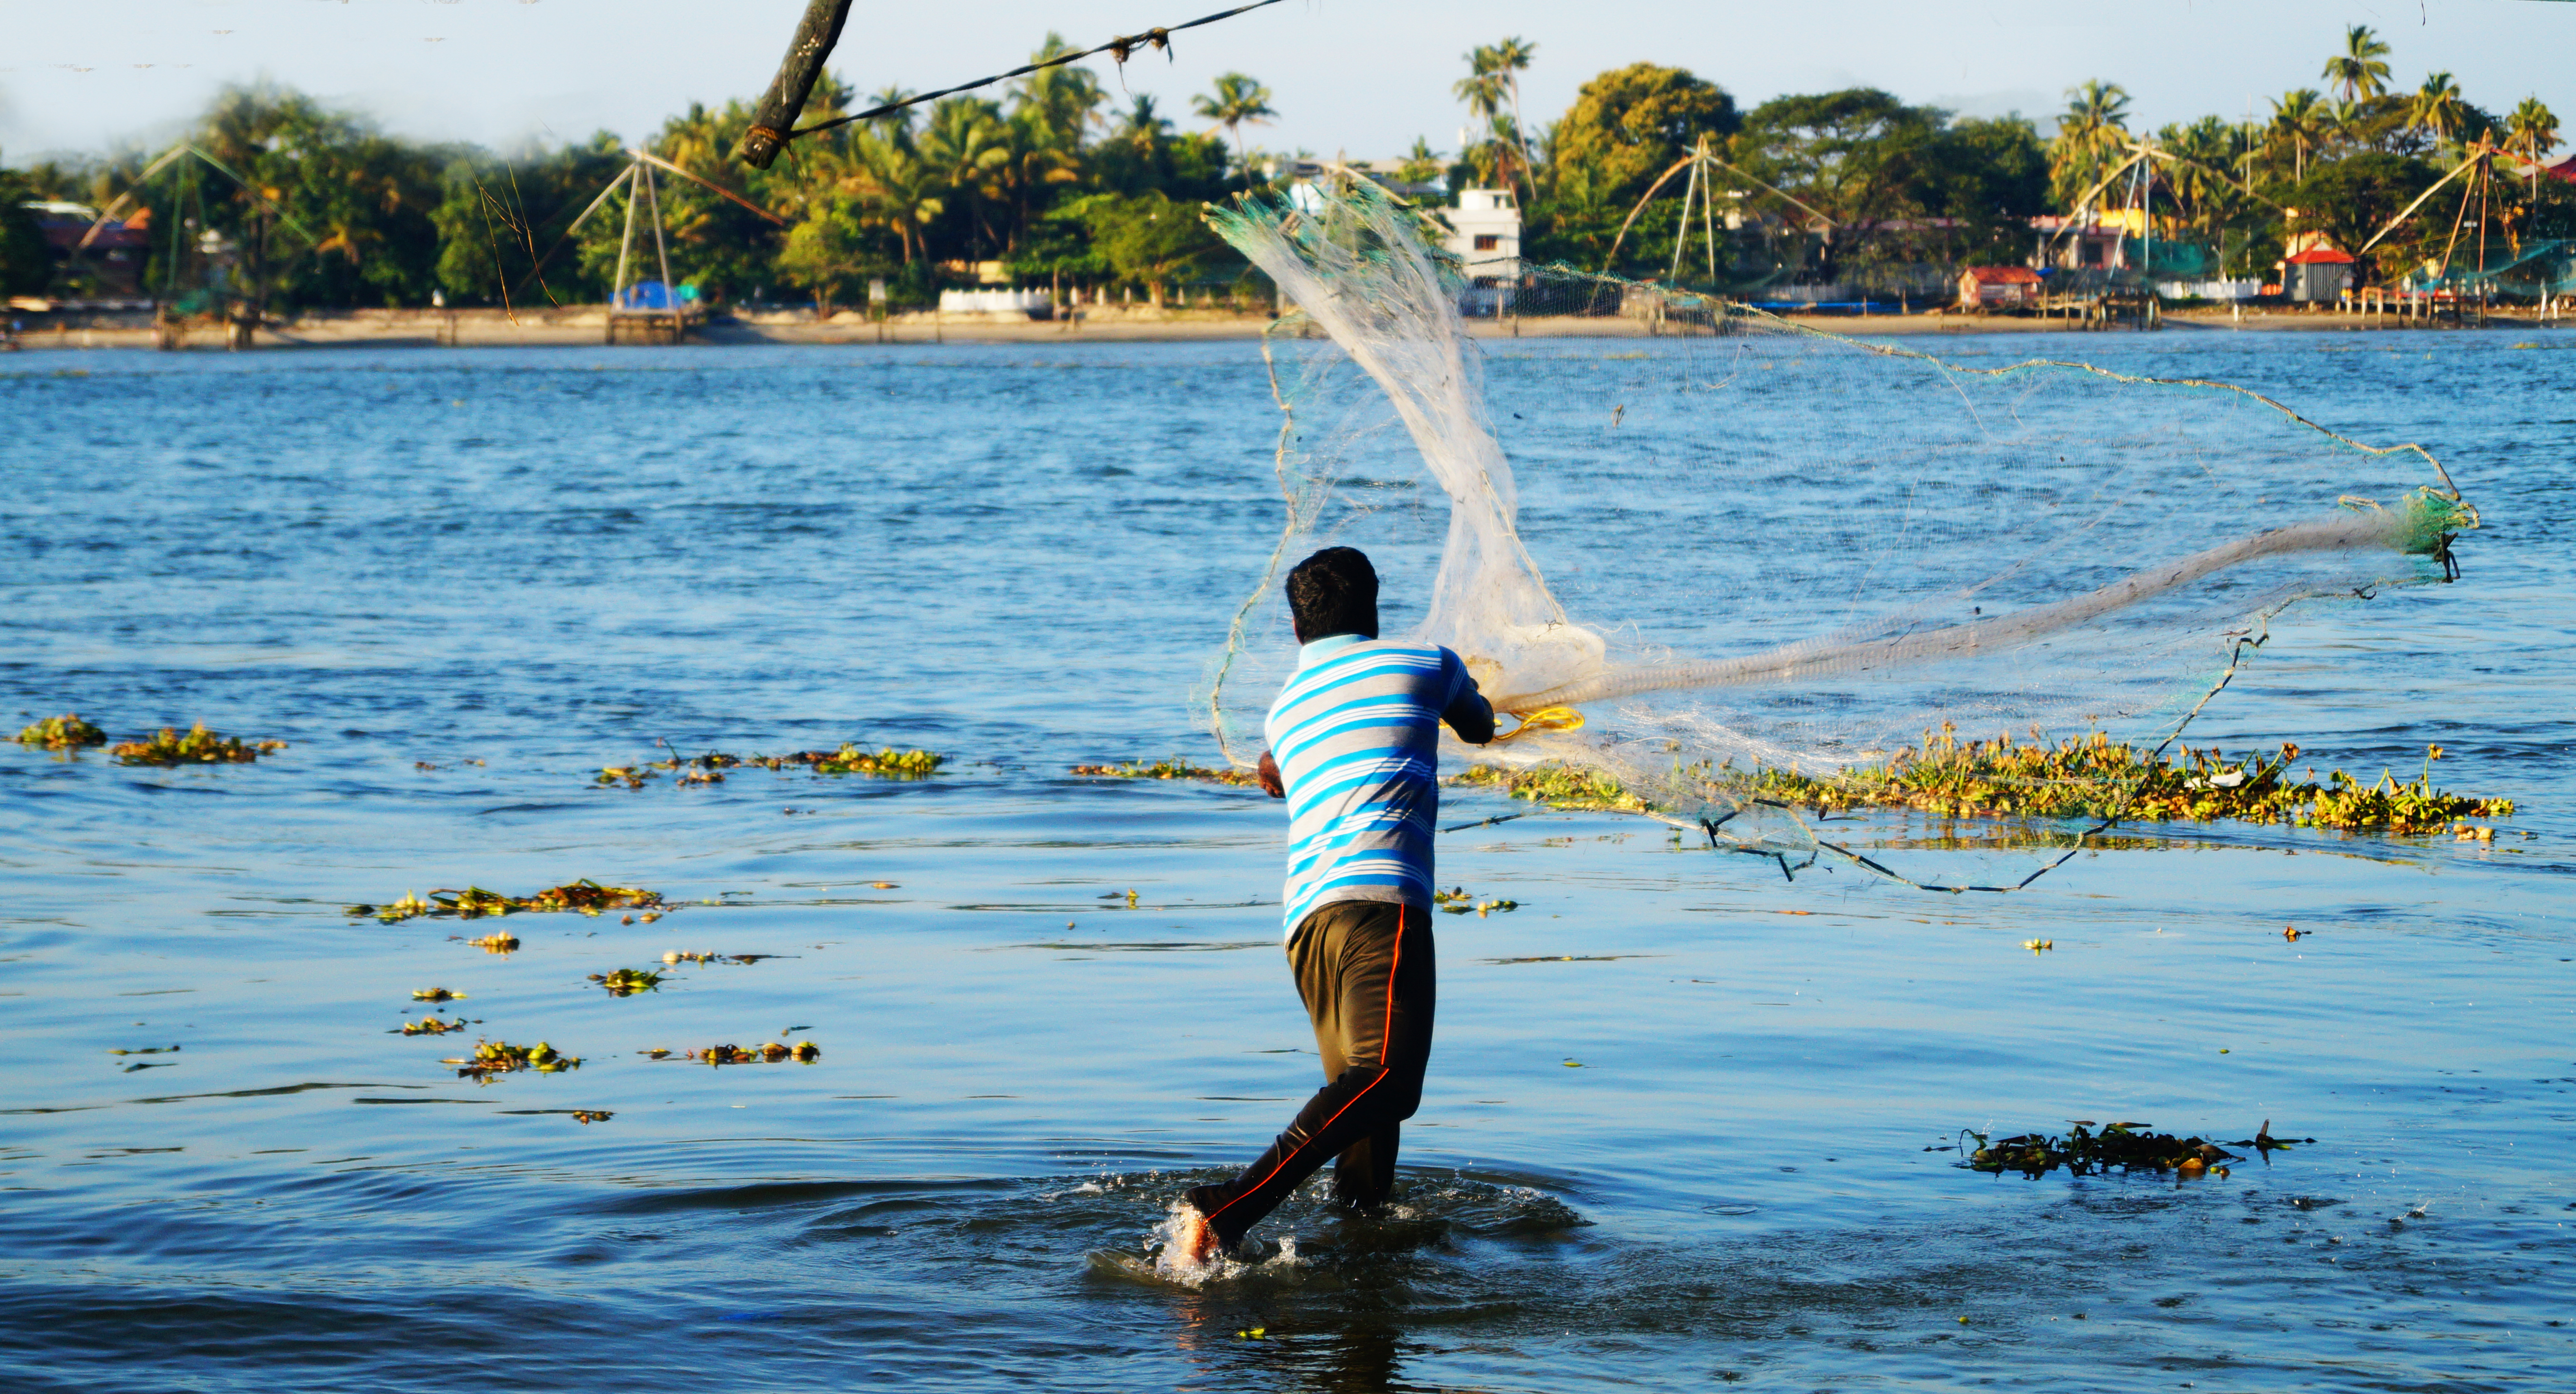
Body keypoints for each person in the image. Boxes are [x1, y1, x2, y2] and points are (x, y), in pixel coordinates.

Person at [1172, 546, 1496, 1267]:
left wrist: (1273, 770)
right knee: (1385, 1081)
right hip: (1381, 908)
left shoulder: (1286, 712)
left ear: (1296, 631)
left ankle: (1360, 1245)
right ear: (1375, 612)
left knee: (1359, 1108)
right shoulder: (1425, 664)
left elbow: (1277, 770)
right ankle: (1226, 1208)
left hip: (1306, 928)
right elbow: (1479, 726)